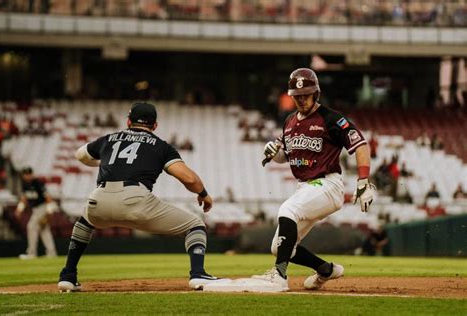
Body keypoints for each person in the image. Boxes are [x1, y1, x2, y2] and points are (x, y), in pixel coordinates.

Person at [57, 102, 225, 292]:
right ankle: (198, 274)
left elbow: (80, 155)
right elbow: (189, 178)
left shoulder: (109, 139)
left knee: (84, 222)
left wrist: (105, 161)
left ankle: (68, 275)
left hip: (99, 198)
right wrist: (203, 194)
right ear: (155, 126)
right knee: (195, 225)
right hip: (135, 200)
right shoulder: (161, 146)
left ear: (128, 121)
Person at [253, 68, 375, 291]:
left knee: (287, 210)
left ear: (315, 93)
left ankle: (279, 276)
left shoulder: (331, 118)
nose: (301, 100)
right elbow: (285, 155)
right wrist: (273, 152)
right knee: (279, 246)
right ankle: (325, 270)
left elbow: (360, 145)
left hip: (328, 184)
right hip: (305, 188)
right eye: (297, 96)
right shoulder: (289, 121)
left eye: (305, 95)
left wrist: (363, 181)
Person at [15, 167, 58, 259]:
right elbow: (24, 198)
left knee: (31, 227)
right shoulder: (24, 184)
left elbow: (48, 198)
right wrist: (19, 209)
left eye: (29, 174)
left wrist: (49, 211)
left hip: (42, 207)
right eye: (25, 174)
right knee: (44, 230)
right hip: (35, 209)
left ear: (32, 174)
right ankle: (51, 253)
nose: (27, 176)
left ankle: (31, 253)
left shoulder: (37, 183)